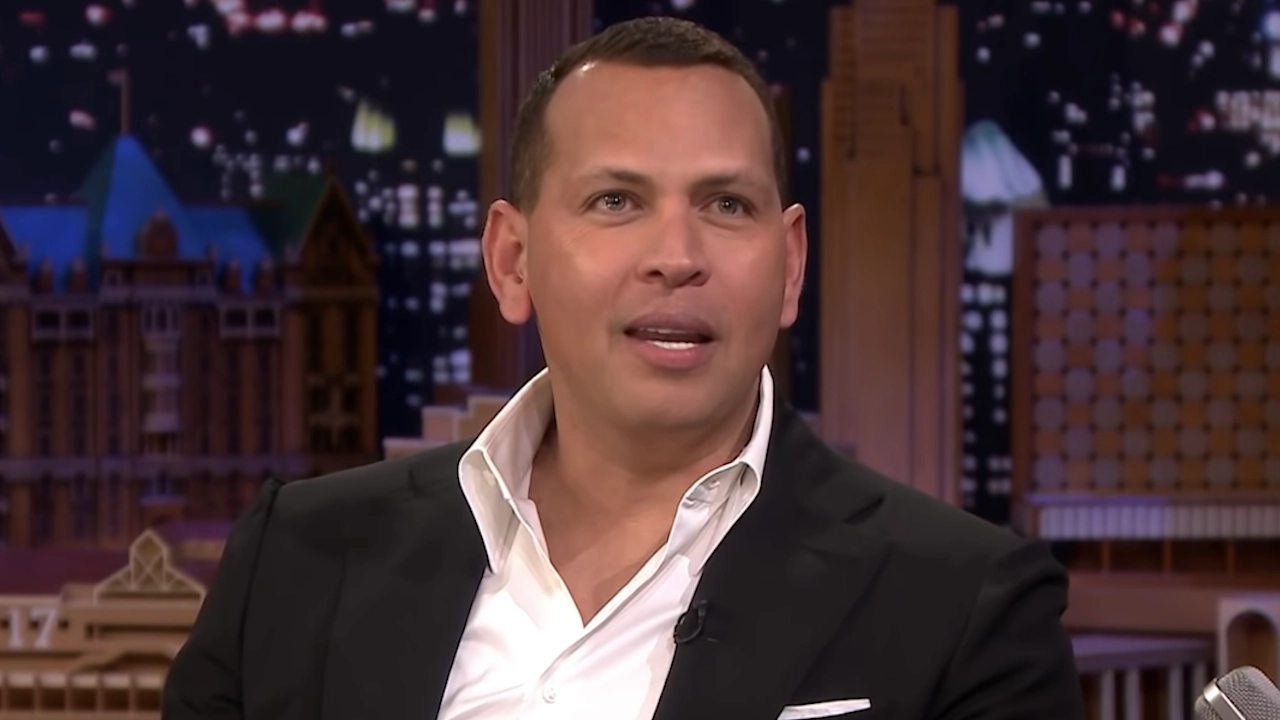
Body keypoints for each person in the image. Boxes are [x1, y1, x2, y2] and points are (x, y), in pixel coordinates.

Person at [162, 16, 1083, 720]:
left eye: (726, 205)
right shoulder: (297, 560)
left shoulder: (967, 607)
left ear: (791, 265)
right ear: (512, 262)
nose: (676, 255)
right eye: (615, 201)